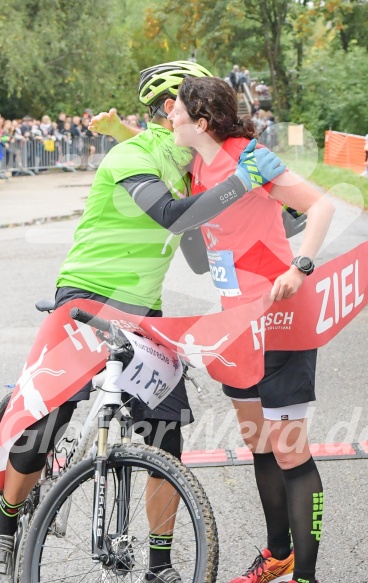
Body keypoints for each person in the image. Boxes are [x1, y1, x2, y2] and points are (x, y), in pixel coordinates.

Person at [0, 61, 285, 583]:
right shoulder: (132, 154)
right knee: (48, 417)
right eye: (195, 106)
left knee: (165, 432)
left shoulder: (187, 163)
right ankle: (6, 525)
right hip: (88, 293)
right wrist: (241, 182)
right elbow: (174, 216)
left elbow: (201, 247)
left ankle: (159, 565)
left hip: (143, 312)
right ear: (173, 111)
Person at [164, 76, 334, 583]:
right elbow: (200, 256)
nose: (168, 114)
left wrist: (299, 265)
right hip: (236, 319)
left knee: (289, 447)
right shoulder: (193, 167)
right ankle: (277, 554)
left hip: (281, 312)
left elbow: (320, 206)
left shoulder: (250, 157)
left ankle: (306, 575)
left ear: (201, 121)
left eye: (176, 109)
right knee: (259, 441)